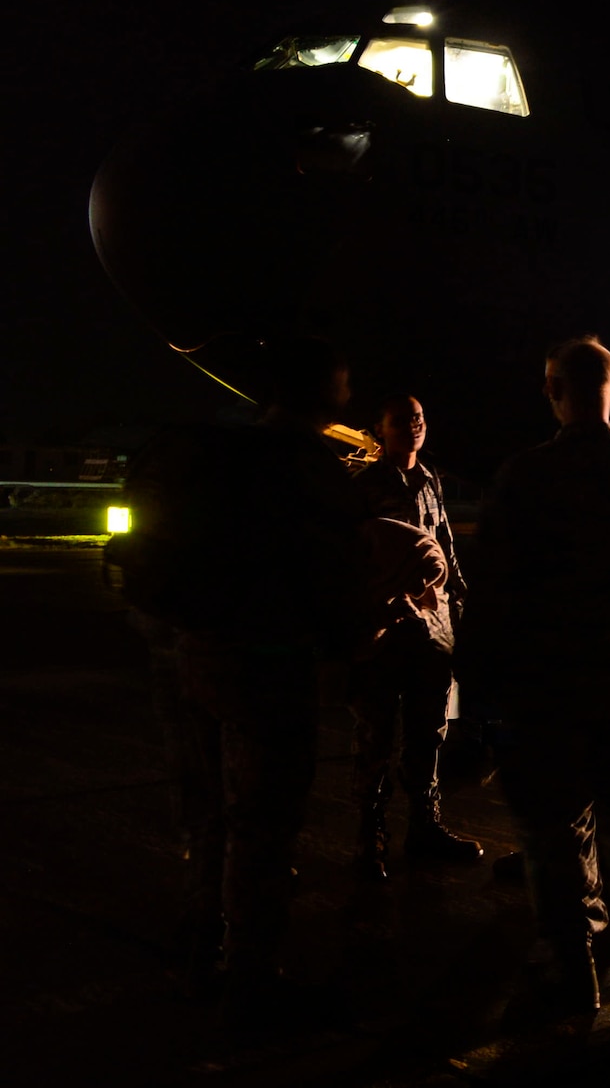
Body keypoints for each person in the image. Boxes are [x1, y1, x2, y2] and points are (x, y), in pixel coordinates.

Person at [457, 337, 610, 1013]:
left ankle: (572, 961)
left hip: (542, 686)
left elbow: (491, 588)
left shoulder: (524, 477)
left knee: (554, 827)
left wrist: (479, 687)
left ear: (553, 391)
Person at [141, 336, 370, 1027]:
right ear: (322, 384)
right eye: (343, 368)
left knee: (209, 817)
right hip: (267, 670)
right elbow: (340, 589)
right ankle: (252, 981)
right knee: (264, 829)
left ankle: (199, 956)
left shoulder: (223, 455)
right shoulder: (311, 467)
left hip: (195, 656)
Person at [348, 396, 482, 878]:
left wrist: (461, 605)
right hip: (385, 629)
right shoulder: (363, 487)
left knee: (429, 733)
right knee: (376, 736)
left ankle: (425, 827)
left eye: (420, 418)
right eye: (403, 420)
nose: (414, 426)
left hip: (432, 630)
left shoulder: (431, 482)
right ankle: (370, 838)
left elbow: (444, 545)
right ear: (380, 429)